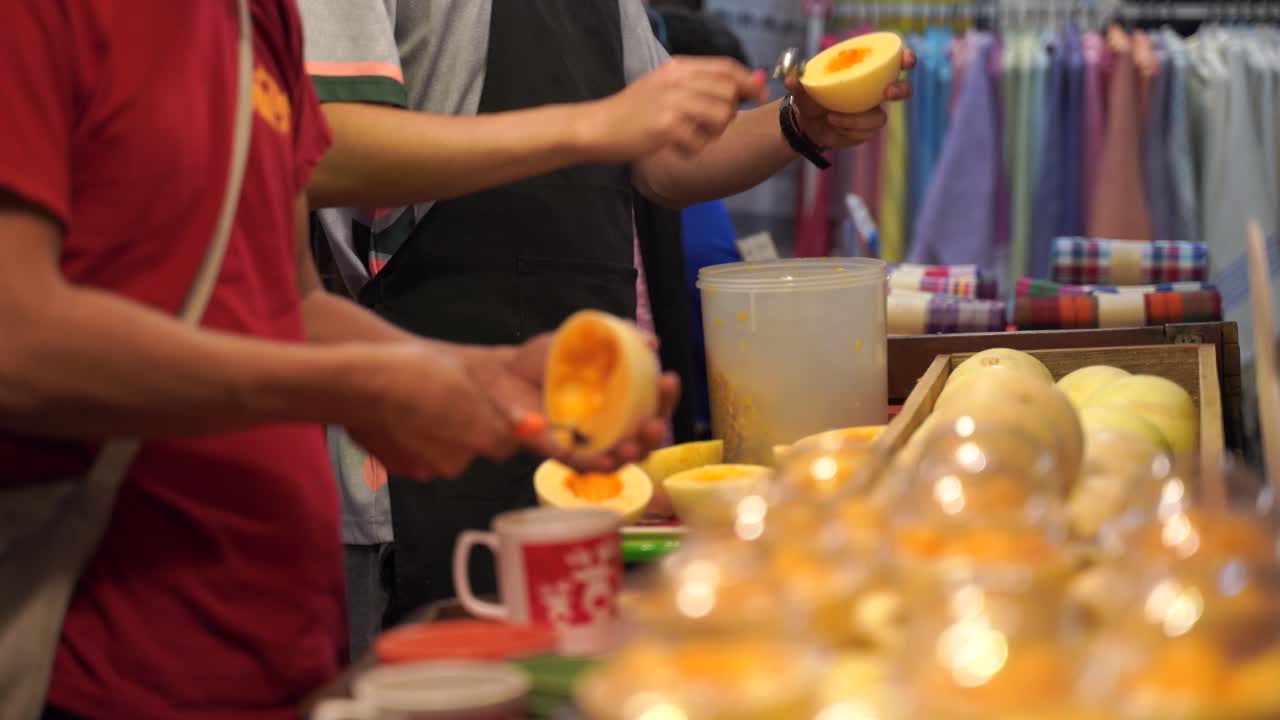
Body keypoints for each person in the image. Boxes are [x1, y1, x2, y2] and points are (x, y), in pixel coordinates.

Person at [0, 1, 673, 718]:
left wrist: (479, 375)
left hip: (280, 648)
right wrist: (363, 386)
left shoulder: (260, 18)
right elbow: (18, 338)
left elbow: (289, 299)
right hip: (101, 665)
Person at [299, 0, 914, 627]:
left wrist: (797, 123)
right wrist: (590, 126)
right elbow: (320, 146)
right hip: (421, 448)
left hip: (580, 432)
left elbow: (661, 157)